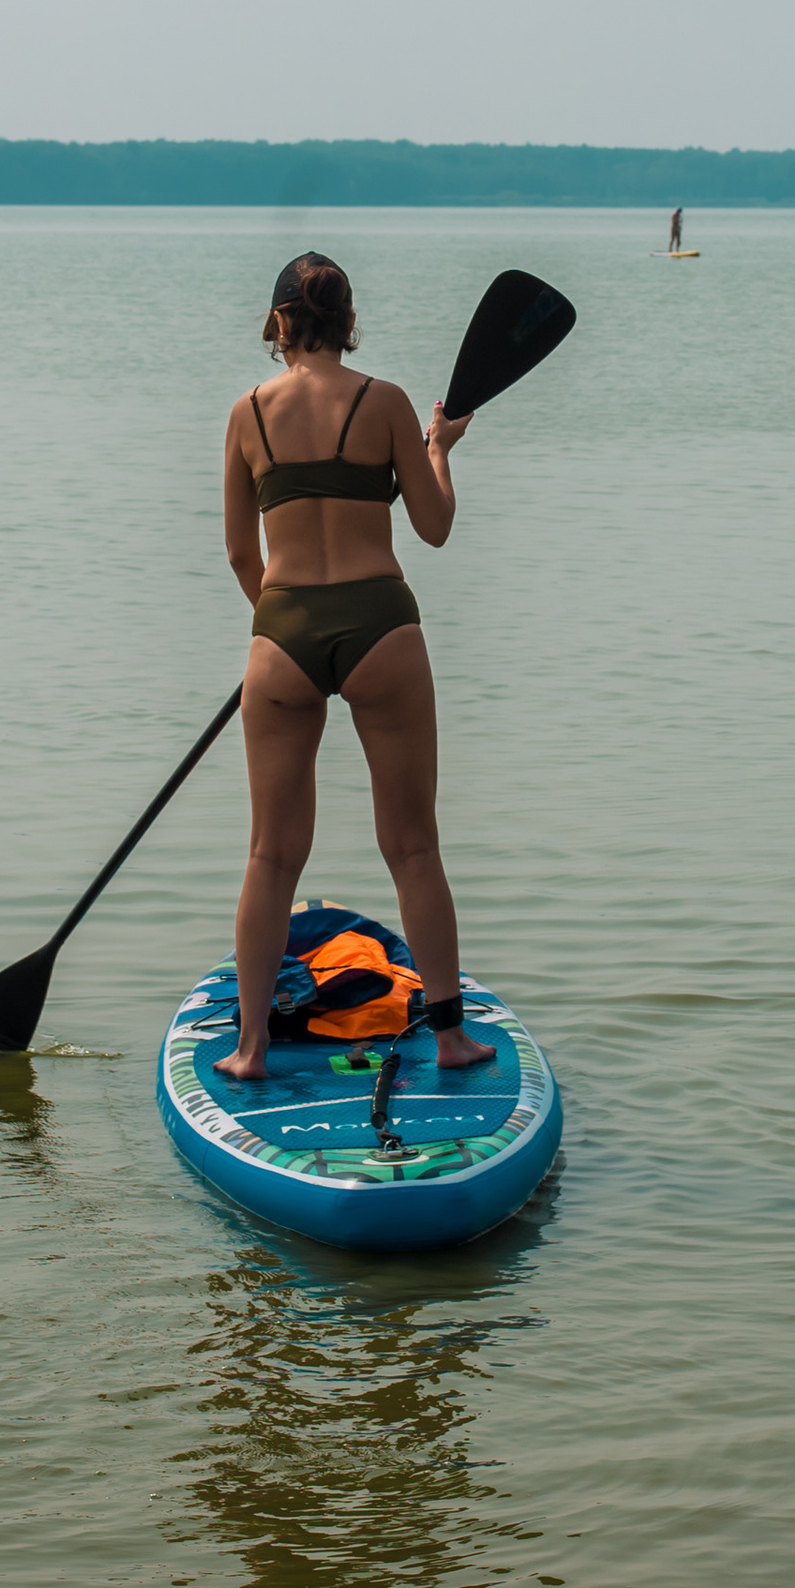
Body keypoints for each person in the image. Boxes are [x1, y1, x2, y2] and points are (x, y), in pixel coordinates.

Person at [215, 252, 496, 1084]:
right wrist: (439, 450)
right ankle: (450, 1036)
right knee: (414, 848)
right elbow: (435, 527)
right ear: (348, 324)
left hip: (284, 632)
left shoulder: (246, 414)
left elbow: (239, 553)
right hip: (380, 625)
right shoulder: (387, 404)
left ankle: (250, 1048)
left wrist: (279, 627)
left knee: (271, 855)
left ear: (278, 324)